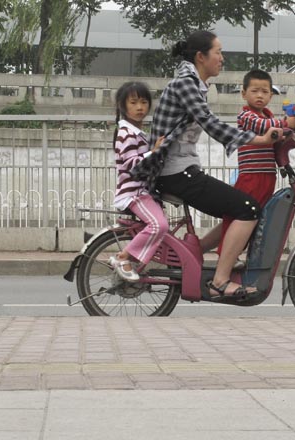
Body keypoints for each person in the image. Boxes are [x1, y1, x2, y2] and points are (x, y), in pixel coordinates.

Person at [131, 30, 281, 300]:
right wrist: (260, 139)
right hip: (174, 172)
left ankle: (198, 253)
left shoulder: (195, 84)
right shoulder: (185, 84)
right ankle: (220, 281)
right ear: (201, 57)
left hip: (182, 169)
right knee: (247, 208)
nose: (222, 58)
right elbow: (211, 124)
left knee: (236, 208)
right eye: (218, 53)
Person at [216, 69, 295, 255]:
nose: (260, 95)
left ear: (271, 95)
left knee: (257, 219)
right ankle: (226, 255)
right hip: (251, 176)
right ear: (243, 93)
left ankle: (239, 254)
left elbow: (275, 133)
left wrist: (292, 129)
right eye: (254, 91)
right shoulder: (246, 116)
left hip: (267, 177)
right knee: (241, 216)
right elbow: (262, 127)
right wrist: (285, 123)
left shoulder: (269, 117)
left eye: (264, 91)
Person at [109, 82, 169, 282]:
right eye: (133, 102)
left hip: (142, 192)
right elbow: (132, 165)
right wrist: (154, 151)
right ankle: (123, 257)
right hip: (134, 193)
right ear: (123, 105)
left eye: (144, 102)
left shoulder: (137, 132)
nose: (140, 107)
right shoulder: (126, 134)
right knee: (159, 225)